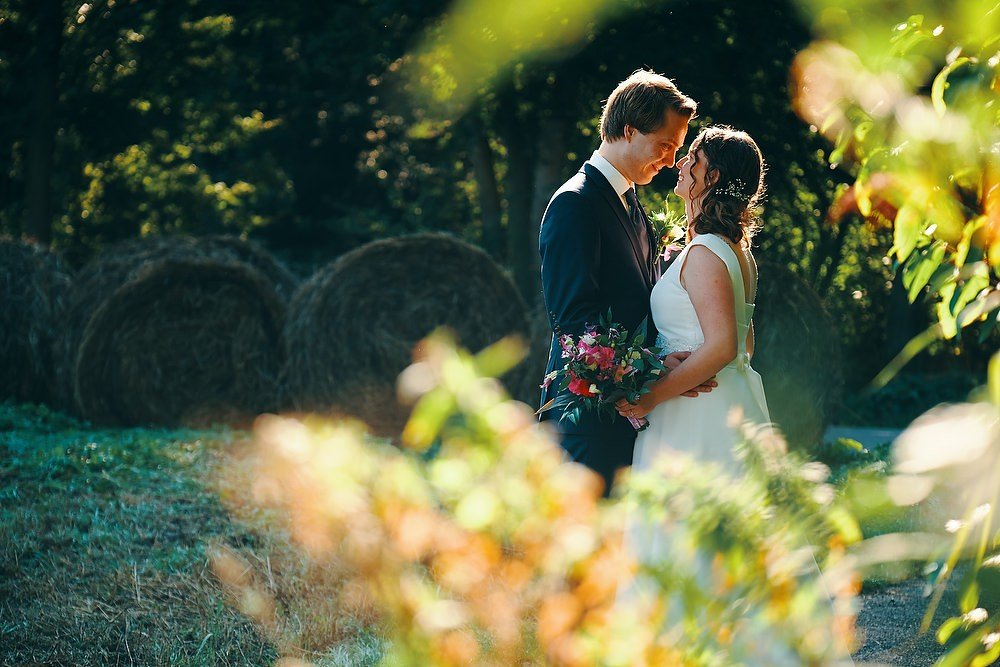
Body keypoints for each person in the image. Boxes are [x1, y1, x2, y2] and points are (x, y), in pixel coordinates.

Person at [538, 69, 711, 496]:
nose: (672, 161)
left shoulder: (631, 203)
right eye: (666, 146)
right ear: (629, 130)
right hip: (587, 422)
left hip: (624, 419)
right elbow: (576, 322)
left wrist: (670, 362)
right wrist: (651, 371)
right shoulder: (575, 204)